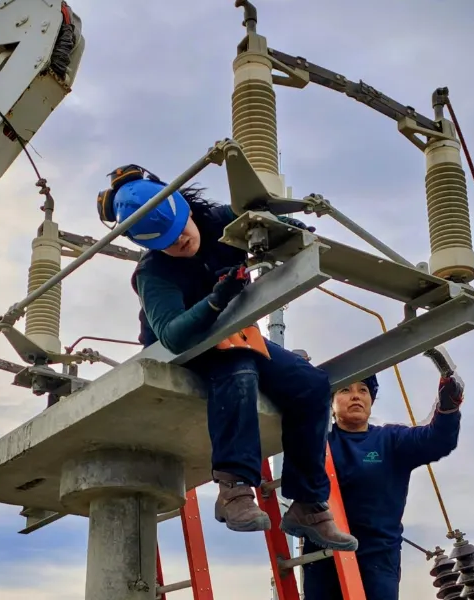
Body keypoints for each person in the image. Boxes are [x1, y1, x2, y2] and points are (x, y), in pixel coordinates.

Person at [95, 164, 358, 551]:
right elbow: (172, 334)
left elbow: (267, 217)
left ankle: (307, 505)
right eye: (166, 242)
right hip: (187, 348)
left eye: (181, 229)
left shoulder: (222, 220)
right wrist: (216, 300)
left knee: (311, 384)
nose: (179, 241)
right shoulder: (154, 273)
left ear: (184, 207)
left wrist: (291, 235)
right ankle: (234, 489)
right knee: (239, 370)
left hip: (238, 333)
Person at [300, 371, 464, 600]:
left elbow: (436, 440)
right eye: (346, 390)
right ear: (331, 403)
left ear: (371, 401)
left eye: (363, 390)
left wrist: (447, 408)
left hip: (377, 556)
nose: (356, 396)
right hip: (323, 554)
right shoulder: (319, 441)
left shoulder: (391, 440)